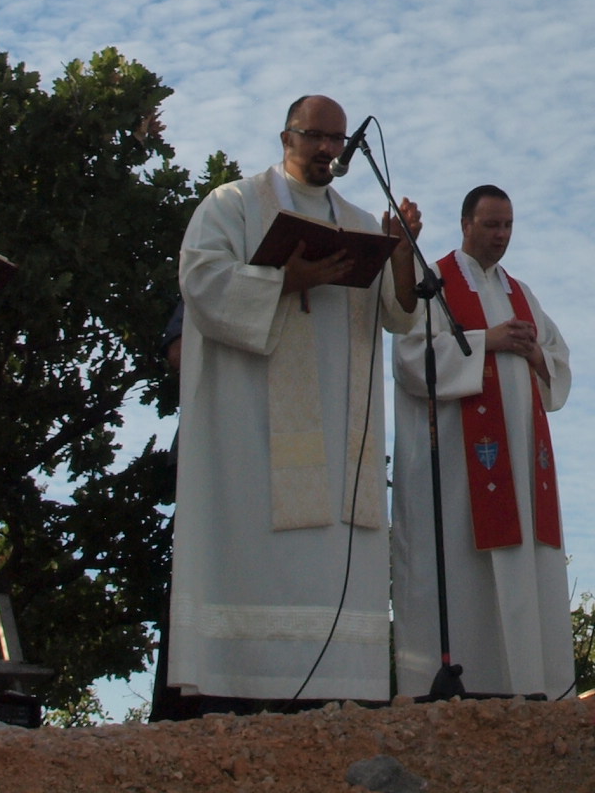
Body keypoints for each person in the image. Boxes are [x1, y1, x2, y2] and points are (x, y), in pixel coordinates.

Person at [166, 94, 420, 710]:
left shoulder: (361, 221)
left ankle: (345, 687)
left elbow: (400, 313)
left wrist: (403, 248)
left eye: (338, 140)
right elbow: (201, 283)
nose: (329, 150)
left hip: (341, 445)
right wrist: (286, 281)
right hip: (253, 431)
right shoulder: (231, 205)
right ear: (287, 136)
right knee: (255, 542)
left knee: (334, 552)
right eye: (317, 137)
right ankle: (239, 684)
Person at [391, 185, 573, 699]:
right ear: (467, 224)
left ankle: (534, 686)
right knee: (464, 574)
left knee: (527, 571)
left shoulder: (521, 292)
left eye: (509, 225)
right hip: (458, 471)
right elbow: (410, 358)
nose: (501, 235)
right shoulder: (437, 281)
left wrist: (535, 354)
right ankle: (463, 688)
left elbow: (558, 362)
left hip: (522, 468)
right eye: (492, 225)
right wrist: (487, 342)